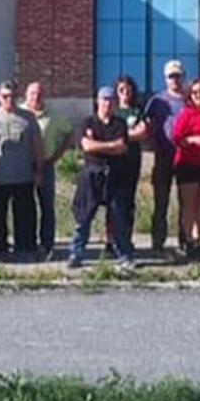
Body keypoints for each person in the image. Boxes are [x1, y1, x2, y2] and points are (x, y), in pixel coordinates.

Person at [67, 86, 131, 269]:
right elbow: (86, 146)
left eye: (110, 100)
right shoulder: (87, 122)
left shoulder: (120, 124)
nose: (107, 103)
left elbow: (122, 147)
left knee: (118, 216)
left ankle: (124, 255)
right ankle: (76, 253)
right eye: (104, 99)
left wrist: (99, 145)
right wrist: (111, 145)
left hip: (115, 174)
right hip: (92, 174)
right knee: (83, 217)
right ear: (97, 101)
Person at [0, 80, 42, 260]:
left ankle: (26, 247)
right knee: (0, 214)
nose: (9, 100)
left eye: (13, 96)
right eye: (5, 96)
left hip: (23, 175)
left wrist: (39, 170)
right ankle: (2, 248)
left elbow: (37, 145)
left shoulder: (28, 117)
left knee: (25, 214)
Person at [168, 78, 200, 259]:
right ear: (190, 95)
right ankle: (188, 240)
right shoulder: (186, 114)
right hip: (188, 163)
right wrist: (193, 140)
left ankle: (198, 240)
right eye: (195, 92)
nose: (199, 95)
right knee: (189, 204)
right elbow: (176, 138)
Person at [24, 82, 73, 260]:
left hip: (45, 165)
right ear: (26, 95)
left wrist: (57, 156)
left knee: (47, 206)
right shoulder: (20, 113)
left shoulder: (54, 116)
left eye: (39, 94)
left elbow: (69, 133)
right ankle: (27, 243)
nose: (35, 97)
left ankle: (47, 245)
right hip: (24, 166)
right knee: (26, 207)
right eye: (32, 94)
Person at [146, 61, 187, 255]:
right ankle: (157, 241)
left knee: (185, 201)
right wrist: (153, 145)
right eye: (171, 76)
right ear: (165, 78)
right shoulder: (157, 101)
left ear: (183, 77)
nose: (175, 80)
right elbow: (147, 124)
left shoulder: (190, 100)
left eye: (178, 76)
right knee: (161, 201)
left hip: (186, 158)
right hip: (163, 157)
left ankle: (184, 241)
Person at [110, 75, 149, 261]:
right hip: (113, 162)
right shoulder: (113, 111)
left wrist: (122, 136)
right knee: (112, 202)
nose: (125, 93)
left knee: (128, 203)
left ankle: (126, 238)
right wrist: (128, 134)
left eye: (128, 90)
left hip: (132, 161)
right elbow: (109, 134)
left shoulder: (137, 110)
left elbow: (142, 132)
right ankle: (111, 239)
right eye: (121, 90)